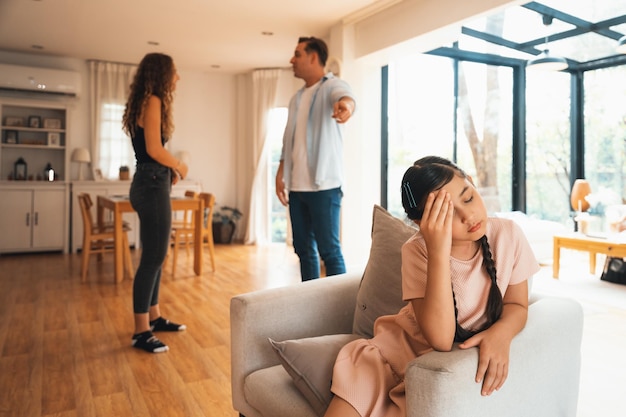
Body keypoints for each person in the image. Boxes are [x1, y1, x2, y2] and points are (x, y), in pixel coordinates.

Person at [324, 156, 540, 416]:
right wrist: (438, 249)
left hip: (431, 369)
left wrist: (501, 334)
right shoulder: (417, 250)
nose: (468, 215)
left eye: (468, 197)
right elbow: (441, 338)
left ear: (471, 182)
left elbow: (517, 304)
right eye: (446, 215)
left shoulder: (509, 235)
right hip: (389, 358)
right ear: (422, 224)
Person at [122, 53, 189, 353]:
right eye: (174, 73)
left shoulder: (146, 100)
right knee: (153, 257)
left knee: (156, 254)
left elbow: (149, 151)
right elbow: (153, 148)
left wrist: (167, 169)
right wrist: (179, 166)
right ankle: (140, 331)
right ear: (162, 74)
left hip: (150, 180)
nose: (177, 78)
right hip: (151, 183)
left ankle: (155, 316)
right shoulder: (153, 101)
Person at [275, 36, 357, 281]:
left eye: (297, 54)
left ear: (313, 57)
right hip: (297, 188)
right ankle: (310, 306)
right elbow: (288, 139)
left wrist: (346, 107)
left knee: (329, 252)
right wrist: (281, 172)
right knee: (303, 251)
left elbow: (346, 96)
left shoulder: (331, 86)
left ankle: (339, 312)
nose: (292, 59)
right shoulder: (296, 98)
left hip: (325, 188)